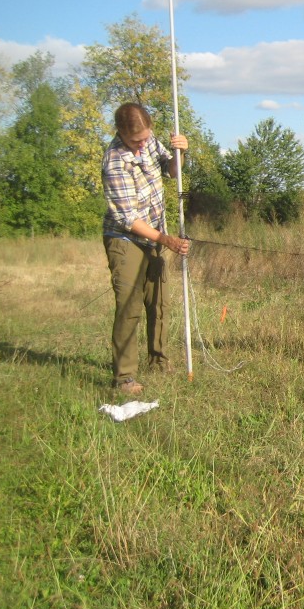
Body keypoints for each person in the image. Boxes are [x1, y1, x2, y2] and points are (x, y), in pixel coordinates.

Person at [102, 102, 190, 395]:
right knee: (129, 306)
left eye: (145, 137)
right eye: (134, 140)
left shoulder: (151, 141)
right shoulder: (114, 161)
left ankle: (159, 360)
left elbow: (172, 171)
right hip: (126, 239)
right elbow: (127, 219)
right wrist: (165, 239)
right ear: (121, 133)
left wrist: (180, 153)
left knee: (159, 302)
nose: (141, 144)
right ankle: (125, 376)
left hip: (155, 235)